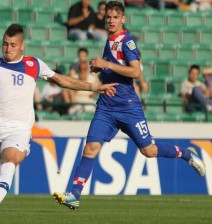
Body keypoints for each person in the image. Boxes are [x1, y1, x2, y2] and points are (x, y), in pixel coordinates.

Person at [0, 23, 117, 220]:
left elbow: (62, 81)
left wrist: (95, 87)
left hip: (18, 129)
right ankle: (1, 152)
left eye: (13, 45)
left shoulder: (34, 64)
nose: (8, 49)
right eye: (5, 44)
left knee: (11, 159)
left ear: (22, 46)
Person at [53, 1, 206, 211]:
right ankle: (75, 195)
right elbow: (116, 69)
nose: (111, 20)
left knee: (149, 151)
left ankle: (186, 154)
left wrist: (106, 64)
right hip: (106, 106)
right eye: (108, 17)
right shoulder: (109, 40)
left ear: (123, 19)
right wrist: (102, 70)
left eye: (115, 17)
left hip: (128, 107)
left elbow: (135, 72)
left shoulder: (128, 42)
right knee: (90, 147)